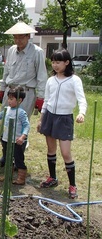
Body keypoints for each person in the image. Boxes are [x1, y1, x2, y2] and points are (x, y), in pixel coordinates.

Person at [37, 49, 87, 199]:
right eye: (53, 62)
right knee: (51, 149)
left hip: (65, 118)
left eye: (58, 62)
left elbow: (81, 99)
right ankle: (52, 178)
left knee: (66, 153)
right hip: (50, 116)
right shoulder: (51, 80)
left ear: (67, 62)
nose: (55, 65)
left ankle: (72, 185)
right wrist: (41, 118)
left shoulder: (74, 80)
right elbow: (46, 100)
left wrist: (81, 113)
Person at [0, 21, 47, 166]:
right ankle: (5, 156)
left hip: (26, 92)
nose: (18, 41)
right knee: (5, 123)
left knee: (20, 125)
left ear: (28, 37)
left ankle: (17, 159)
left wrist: (40, 97)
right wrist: (2, 88)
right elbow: (6, 71)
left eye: (21, 38)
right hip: (10, 90)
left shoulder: (37, 52)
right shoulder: (12, 50)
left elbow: (42, 76)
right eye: (15, 38)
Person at [0, 87, 30, 185]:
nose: (9, 101)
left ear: (19, 100)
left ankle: (21, 177)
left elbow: (26, 125)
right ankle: (8, 175)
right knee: (8, 158)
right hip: (6, 139)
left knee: (18, 159)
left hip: (16, 141)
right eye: (9, 99)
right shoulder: (7, 110)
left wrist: (23, 137)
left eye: (12, 99)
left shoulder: (21, 113)